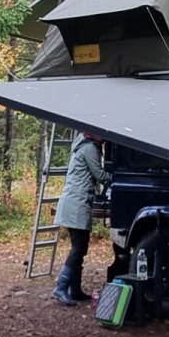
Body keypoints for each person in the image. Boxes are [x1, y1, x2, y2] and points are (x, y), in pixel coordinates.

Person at [52, 131, 109, 306]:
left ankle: (74, 290)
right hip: (77, 203)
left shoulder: (82, 146)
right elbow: (99, 175)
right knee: (78, 248)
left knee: (79, 247)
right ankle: (60, 287)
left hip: (74, 201)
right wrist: (115, 178)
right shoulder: (90, 148)